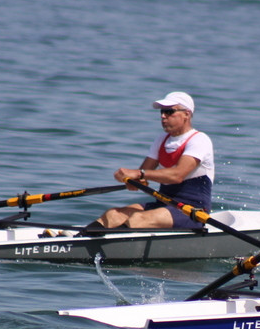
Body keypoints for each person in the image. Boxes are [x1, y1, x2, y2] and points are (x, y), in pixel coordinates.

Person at [88, 91, 214, 231]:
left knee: (138, 219)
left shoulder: (199, 140)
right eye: (162, 112)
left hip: (192, 211)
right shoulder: (162, 139)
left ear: (187, 114)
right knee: (113, 215)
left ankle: (104, 243)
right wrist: (130, 179)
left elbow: (177, 176)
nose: (163, 116)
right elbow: (142, 176)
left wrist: (139, 174)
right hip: (163, 205)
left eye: (169, 112)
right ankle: (78, 238)